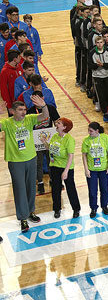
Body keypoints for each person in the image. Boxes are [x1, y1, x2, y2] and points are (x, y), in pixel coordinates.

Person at [1, 96, 48, 232]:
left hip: (31, 158)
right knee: (20, 189)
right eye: (20, 110)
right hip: (16, 162)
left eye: (25, 109)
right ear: (13, 111)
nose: (23, 112)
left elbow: (45, 116)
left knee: (30, 188)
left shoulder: (29, 119)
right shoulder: (7, 123)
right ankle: (23, 218)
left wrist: (43, 106)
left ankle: (31, 211)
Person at [43, 117, 80, 219]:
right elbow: (49, 148)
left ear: (64, 127)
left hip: (66, 168)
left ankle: (76, 209)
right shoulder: (55, 136)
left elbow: (70, 156)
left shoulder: (69, 139)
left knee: (70, 189)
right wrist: (44, 142)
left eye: (58, 123)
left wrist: (66, 171)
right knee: (55, 189)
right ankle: (57, 209)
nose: (56, 124)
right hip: (54, 167)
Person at [81, 122, 108, 218]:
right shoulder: (86, 141)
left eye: (91, 131)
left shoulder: (105, 138)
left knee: (104, 189)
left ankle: (104, 206)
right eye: (88, 130)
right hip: (92, 170)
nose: (89, 132)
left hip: (103, 169)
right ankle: (93, 208)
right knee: (92, 190)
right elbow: (84, 156)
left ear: (97, 131)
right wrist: (86, 169)